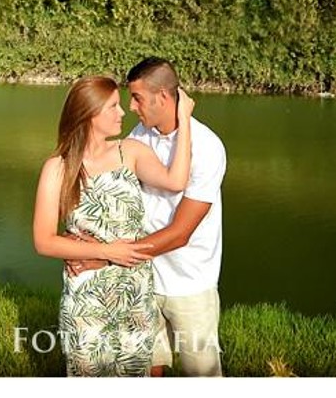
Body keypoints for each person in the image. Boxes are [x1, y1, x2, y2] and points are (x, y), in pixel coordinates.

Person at [68, 58, 227, 377]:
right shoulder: (140, 136)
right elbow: (111, 194)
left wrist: (106, 258)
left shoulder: (207, 147)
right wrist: (83, 244)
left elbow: (181, 233)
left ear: (164, 98)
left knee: (203, 374)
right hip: (143, 277)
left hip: (190, 281)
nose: (132, 107)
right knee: (146, 367)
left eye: (138, 97)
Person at [32, 75, 195, 377]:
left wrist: (184, 119)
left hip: (135, 291)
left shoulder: (129, 151)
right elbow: (44, 241)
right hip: (87, 295)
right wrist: (106, 251)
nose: (123, 113)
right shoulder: (59, 167)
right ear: (89, 114)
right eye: (112, 107)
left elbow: (176, 181)